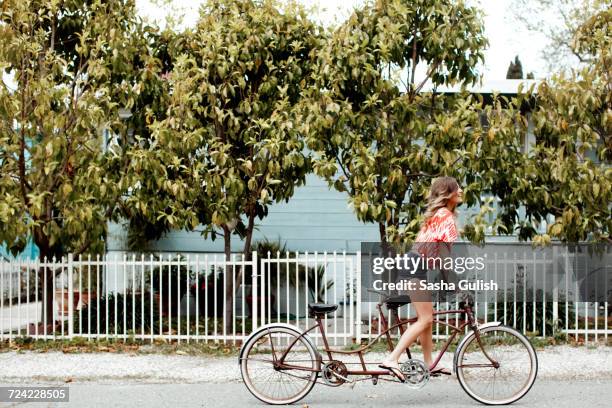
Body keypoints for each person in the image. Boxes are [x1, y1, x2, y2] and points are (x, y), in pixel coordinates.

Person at [379, 176, 462, 381]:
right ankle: (392, 358)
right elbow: (443, 254)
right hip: (415, 267)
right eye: (457, 188)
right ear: (448, 193)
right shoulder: (444, 215)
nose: (461, 191)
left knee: (428, 319)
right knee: (425, 319)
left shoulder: (442, 214)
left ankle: (428, 364)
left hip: (417, 266)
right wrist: (454, 281)